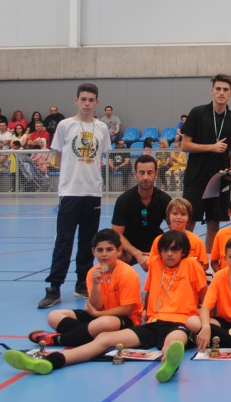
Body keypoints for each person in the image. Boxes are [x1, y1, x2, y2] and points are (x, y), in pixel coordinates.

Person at [6, 230, 208, 383]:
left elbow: (204, 298)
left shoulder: (191, 265)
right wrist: (148, 312)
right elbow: (148, 288)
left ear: (183, 252)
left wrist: (205, 322)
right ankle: (52, 361)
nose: (169, 254)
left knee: (173, 341)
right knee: (103, 338)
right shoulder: (156, 264)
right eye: (165, 250)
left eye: (175, 250)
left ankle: (168, 367)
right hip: (152, 322)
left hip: (179, 322)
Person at [38, 83, 112, 309]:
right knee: (64, 241)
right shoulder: (65, 125)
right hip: (70, 192)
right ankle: (54, 287)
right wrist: (70, 177)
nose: (87, 104)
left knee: (88, 242)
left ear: (97, 102)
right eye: (83, 99)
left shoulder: (102, 128)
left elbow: (101, 157)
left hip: (93, 193)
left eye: (91, 100)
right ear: (76, 100)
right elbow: (59, 157)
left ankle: (82, 283)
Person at [27, 229, 143, 347]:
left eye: (109, 249)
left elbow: (127, 310)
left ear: (119, 251)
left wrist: (98, 314)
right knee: (53, 316)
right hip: (98, 315)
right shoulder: (93, 272)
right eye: (100, 250)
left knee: (103, 323)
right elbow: (96, 306)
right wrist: (96, 285)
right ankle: (88, 335)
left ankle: (58, 340)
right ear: (93, 251)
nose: (104, 254)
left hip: (123, 319)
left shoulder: (127, 273)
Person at [180, 74, 231, 256]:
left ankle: (208, 262)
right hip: (196, 178)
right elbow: (185, 145)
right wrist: (211, 147)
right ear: (212, 91)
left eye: (225, 90)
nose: (221, 93)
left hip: (220, 180)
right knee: (189, 221)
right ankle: (185, 258)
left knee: (214, 222)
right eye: (218, 89)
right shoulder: (197, 113)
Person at [111, 154, 172, 271]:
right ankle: (118, 281)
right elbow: (116, 234)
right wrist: (137, 254)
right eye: (141, 173)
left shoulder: (164, 199)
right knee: (115, 254)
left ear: (156, 174)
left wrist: (160, 252)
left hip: (155, 243)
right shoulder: (124, 200)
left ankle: (169, 280)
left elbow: (175, 231)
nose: (145, 177)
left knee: (175, 251)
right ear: (135, 174)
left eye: (150, 173)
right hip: (130, 244)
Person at [148, 198, 209, 272]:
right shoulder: (159, 240)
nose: (179, 217)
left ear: (188, 217)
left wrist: (188, 273)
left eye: (183, 214)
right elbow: (152, 263)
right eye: (175, 214)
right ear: (168, 216)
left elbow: (204, 265)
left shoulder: (196, 241)